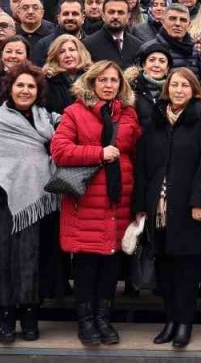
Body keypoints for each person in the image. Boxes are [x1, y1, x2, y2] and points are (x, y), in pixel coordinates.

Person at [0, 63, 65, 344]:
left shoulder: (48, 120)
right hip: (4, 207)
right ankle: (5, 318)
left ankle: (31, 315)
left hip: (43, 204)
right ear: (9, 88)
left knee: (37, 262)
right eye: (20, 85)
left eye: (31, 86)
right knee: (5, 264)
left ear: (38, 91)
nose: (25, 90)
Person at [51, 60, 142, 347]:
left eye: (114, 80)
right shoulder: (74, 112)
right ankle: (86, 321)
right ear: (91, 82)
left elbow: (138, 153)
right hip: (86, 201)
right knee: (87, 264)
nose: (108, 85)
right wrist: (99, 153)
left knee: (111, 264)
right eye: (102, 80)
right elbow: (60, 151)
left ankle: (104, 318)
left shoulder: (128, 115)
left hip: (118, 200)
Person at [134, 69, 201, 348]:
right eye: (174, 85)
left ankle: (184, 323)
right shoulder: (155, 121)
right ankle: (170, 320)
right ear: (167, 89)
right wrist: (141, 205)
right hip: (157, 208)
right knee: (164, 269)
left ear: (194, 90)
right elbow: (143, 165)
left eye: (185, 85)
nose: (179, 90)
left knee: (186, 271)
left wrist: (199, 202)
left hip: (188, 210)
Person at [84, 0, 142, 68]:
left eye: (120, 12)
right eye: (111, 12)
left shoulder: (137, 46)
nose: (115, 16)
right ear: (103, 15)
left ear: (128, 16)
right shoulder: (88, 45)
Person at [127, 40, 172, 126]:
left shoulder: (173, 90)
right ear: (143, 65)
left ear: (167, 68)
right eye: (152, 60)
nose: (156, 65)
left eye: (162, 61)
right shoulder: (131, 87)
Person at [43, 34, 90, 114]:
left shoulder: (92, 78)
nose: (68, 55)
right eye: (61, 52)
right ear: (55, 57)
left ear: (80, 53)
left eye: (72, 50)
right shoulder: (48, 81)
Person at [31, 0, 86, 65]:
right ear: (58, 18)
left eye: (75, 14)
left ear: (83, 18)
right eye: (66, 14)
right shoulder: (43, 46)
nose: (70, 18)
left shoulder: (90, 44)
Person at [154, 4, 201, 77]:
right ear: (163, 22)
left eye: (183, 20)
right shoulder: (150, 49)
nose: (177, 24)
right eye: (173, 18)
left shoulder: (195, 52)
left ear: (189, 25)